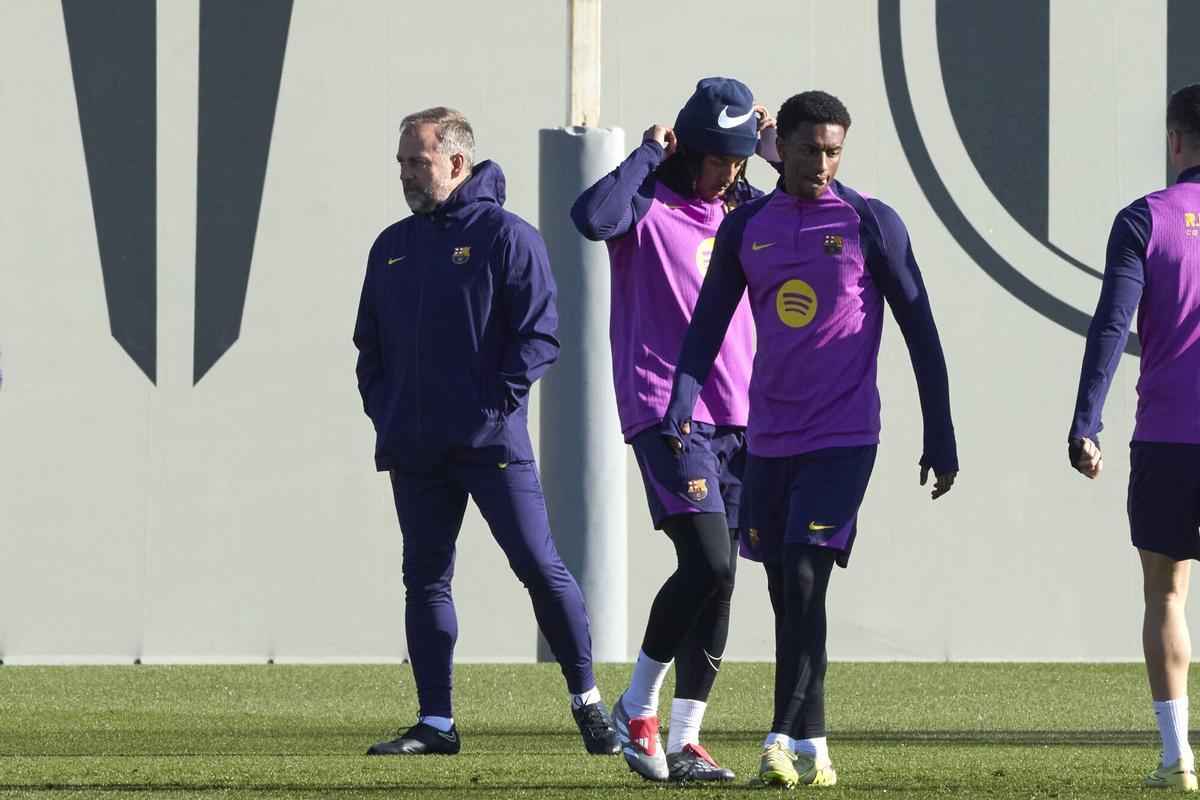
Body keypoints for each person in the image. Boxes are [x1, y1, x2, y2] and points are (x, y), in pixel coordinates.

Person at [662, 90, 958, 788]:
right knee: (785, 594)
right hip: (768, 439)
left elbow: (921, 331)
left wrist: (940, 433)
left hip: (843, 436)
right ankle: (815, 746)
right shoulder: (748, 226)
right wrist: (680, 400)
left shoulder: (870, 222)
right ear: (780, 147)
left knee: (803, 577)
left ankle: (776, 740)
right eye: (809, 150)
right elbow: (708, 325)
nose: (821, 164)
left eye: (833, 152)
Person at [353, 107, 619, 758]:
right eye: (400, 162)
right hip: (415, 449)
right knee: (425, 580)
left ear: (456, 162)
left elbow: (539, 337)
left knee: (539, 567)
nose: (405, 173)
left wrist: (492, 409)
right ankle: (435, 723)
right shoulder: (391, 246)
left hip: (490, 445)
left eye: (417, 161)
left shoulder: (508, 237)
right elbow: (369, 348)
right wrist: (387, 412)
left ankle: (588, 702)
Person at [571, 77, 777, 782]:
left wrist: (771, 154)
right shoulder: (645, 201)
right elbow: (591, 217)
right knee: (708, 562)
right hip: (666, 408)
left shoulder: (744, 208)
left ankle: (686, 739)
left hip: (740, 415)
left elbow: (819, 215)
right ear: (687, 148)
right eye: (718, 158)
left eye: (737, 160)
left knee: (722, 580)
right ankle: (637, 705)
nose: (727, 172)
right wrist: (644, 154)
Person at [1068, 83, 1200, 792]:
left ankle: (1178, 757)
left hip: (1169, 439)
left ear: (1174, 139)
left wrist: (1086, 422)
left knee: (1165, 594)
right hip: (1170, 435)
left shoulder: (1144, 219)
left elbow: (1112, 327)